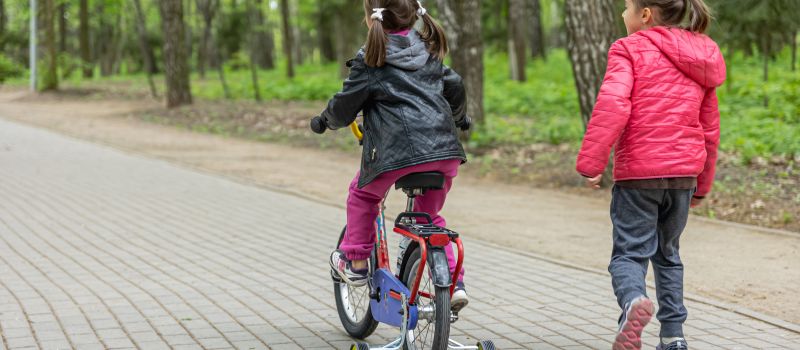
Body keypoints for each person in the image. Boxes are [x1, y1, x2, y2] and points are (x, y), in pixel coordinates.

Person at [576, 0, 725, 349]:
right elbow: (710, 128)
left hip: (639, 174)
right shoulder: (703, 53)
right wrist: (702, 184)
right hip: (685, 175)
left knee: (629, 254)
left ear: (645, 15)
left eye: (627, 7)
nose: (622, 14)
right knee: (669, 254)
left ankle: (633, 302)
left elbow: (614, 103)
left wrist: (591, 162)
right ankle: (674, 336)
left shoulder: (628, 48)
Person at [314, 0, 470, 312]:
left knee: (362, 196)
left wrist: (325, 121)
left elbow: (344, 106)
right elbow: (454, 85)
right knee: (429, 220)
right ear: (414, 13)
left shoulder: (372, 58)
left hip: (395, 154)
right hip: (444, 152)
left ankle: (356, 263)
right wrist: (459, 117)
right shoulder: (429, 52)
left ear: (371, 15)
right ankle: (454, 284)